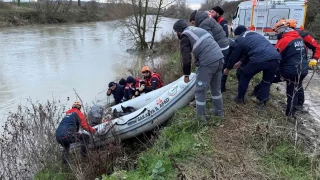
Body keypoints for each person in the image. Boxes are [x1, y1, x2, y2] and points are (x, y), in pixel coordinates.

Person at [173, 19, 224, 119]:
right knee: (215, 89)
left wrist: (186, 74)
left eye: (176, 33)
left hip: (208, 62)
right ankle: (219, 112)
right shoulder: (197, 29)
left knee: (200, 90)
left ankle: (200, 118)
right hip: (220, 58)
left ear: (179, 32)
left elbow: (186, 58)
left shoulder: (185, 36)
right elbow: (207, 43)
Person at [224, 25, 281, 107]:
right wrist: (241, 61)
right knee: (266, 81)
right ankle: (262, 103)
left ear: (238, 34)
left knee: (244, 76)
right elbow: (253, 49)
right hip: (275, 58)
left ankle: (240, 98)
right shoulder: (255, 35)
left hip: (259, 59)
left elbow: (234, 56)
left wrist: (228, 68)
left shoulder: (240, 39)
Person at [273, 20, 308, 117]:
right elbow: (304, 53)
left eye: (277, 32)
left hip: (290, 71)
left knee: (269, 78)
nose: (277, 34)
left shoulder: (284, 40)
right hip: (303, 69)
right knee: (294, 91)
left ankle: (259, 95)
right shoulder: (299, 39)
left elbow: (275, 55)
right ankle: (291, 113)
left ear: (282, 31)